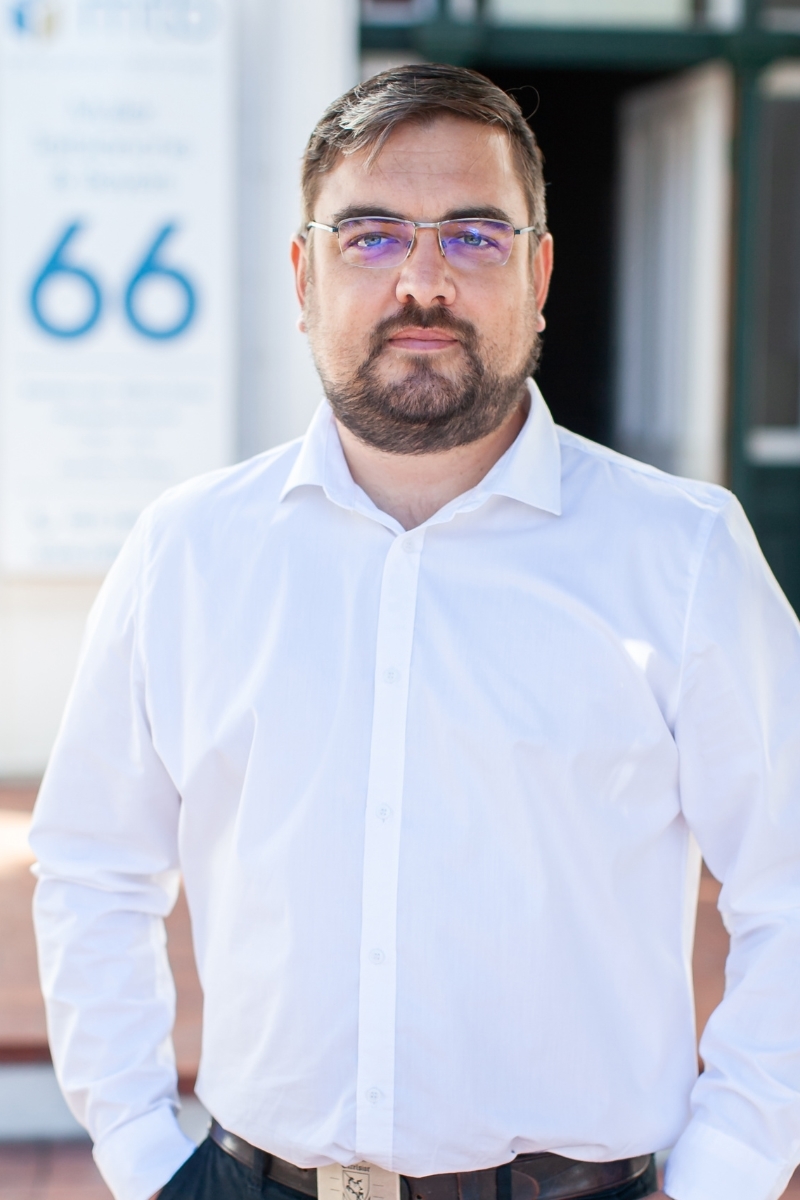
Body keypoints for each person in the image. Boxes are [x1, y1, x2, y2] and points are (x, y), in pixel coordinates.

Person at [30, 63, 800, 1200]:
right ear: (304, 276)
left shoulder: (681, 554)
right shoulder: (188, 552)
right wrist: (144, 1153)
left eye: (476, 236)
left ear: (539, 274)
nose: (423, 281)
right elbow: (94, 870)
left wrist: (726, 1171)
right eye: (372, 235)